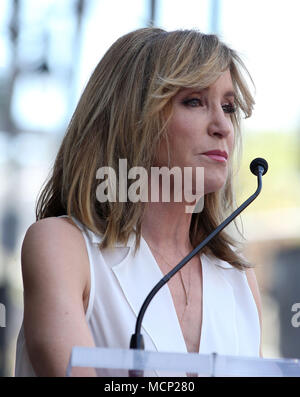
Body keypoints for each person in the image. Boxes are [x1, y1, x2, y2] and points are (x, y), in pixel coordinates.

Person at [15, 27, 263, 377]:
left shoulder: (238, 278)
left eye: (229, 106)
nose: (223, 125)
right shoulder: (63, 246)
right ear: (131, 119)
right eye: (194, 101)